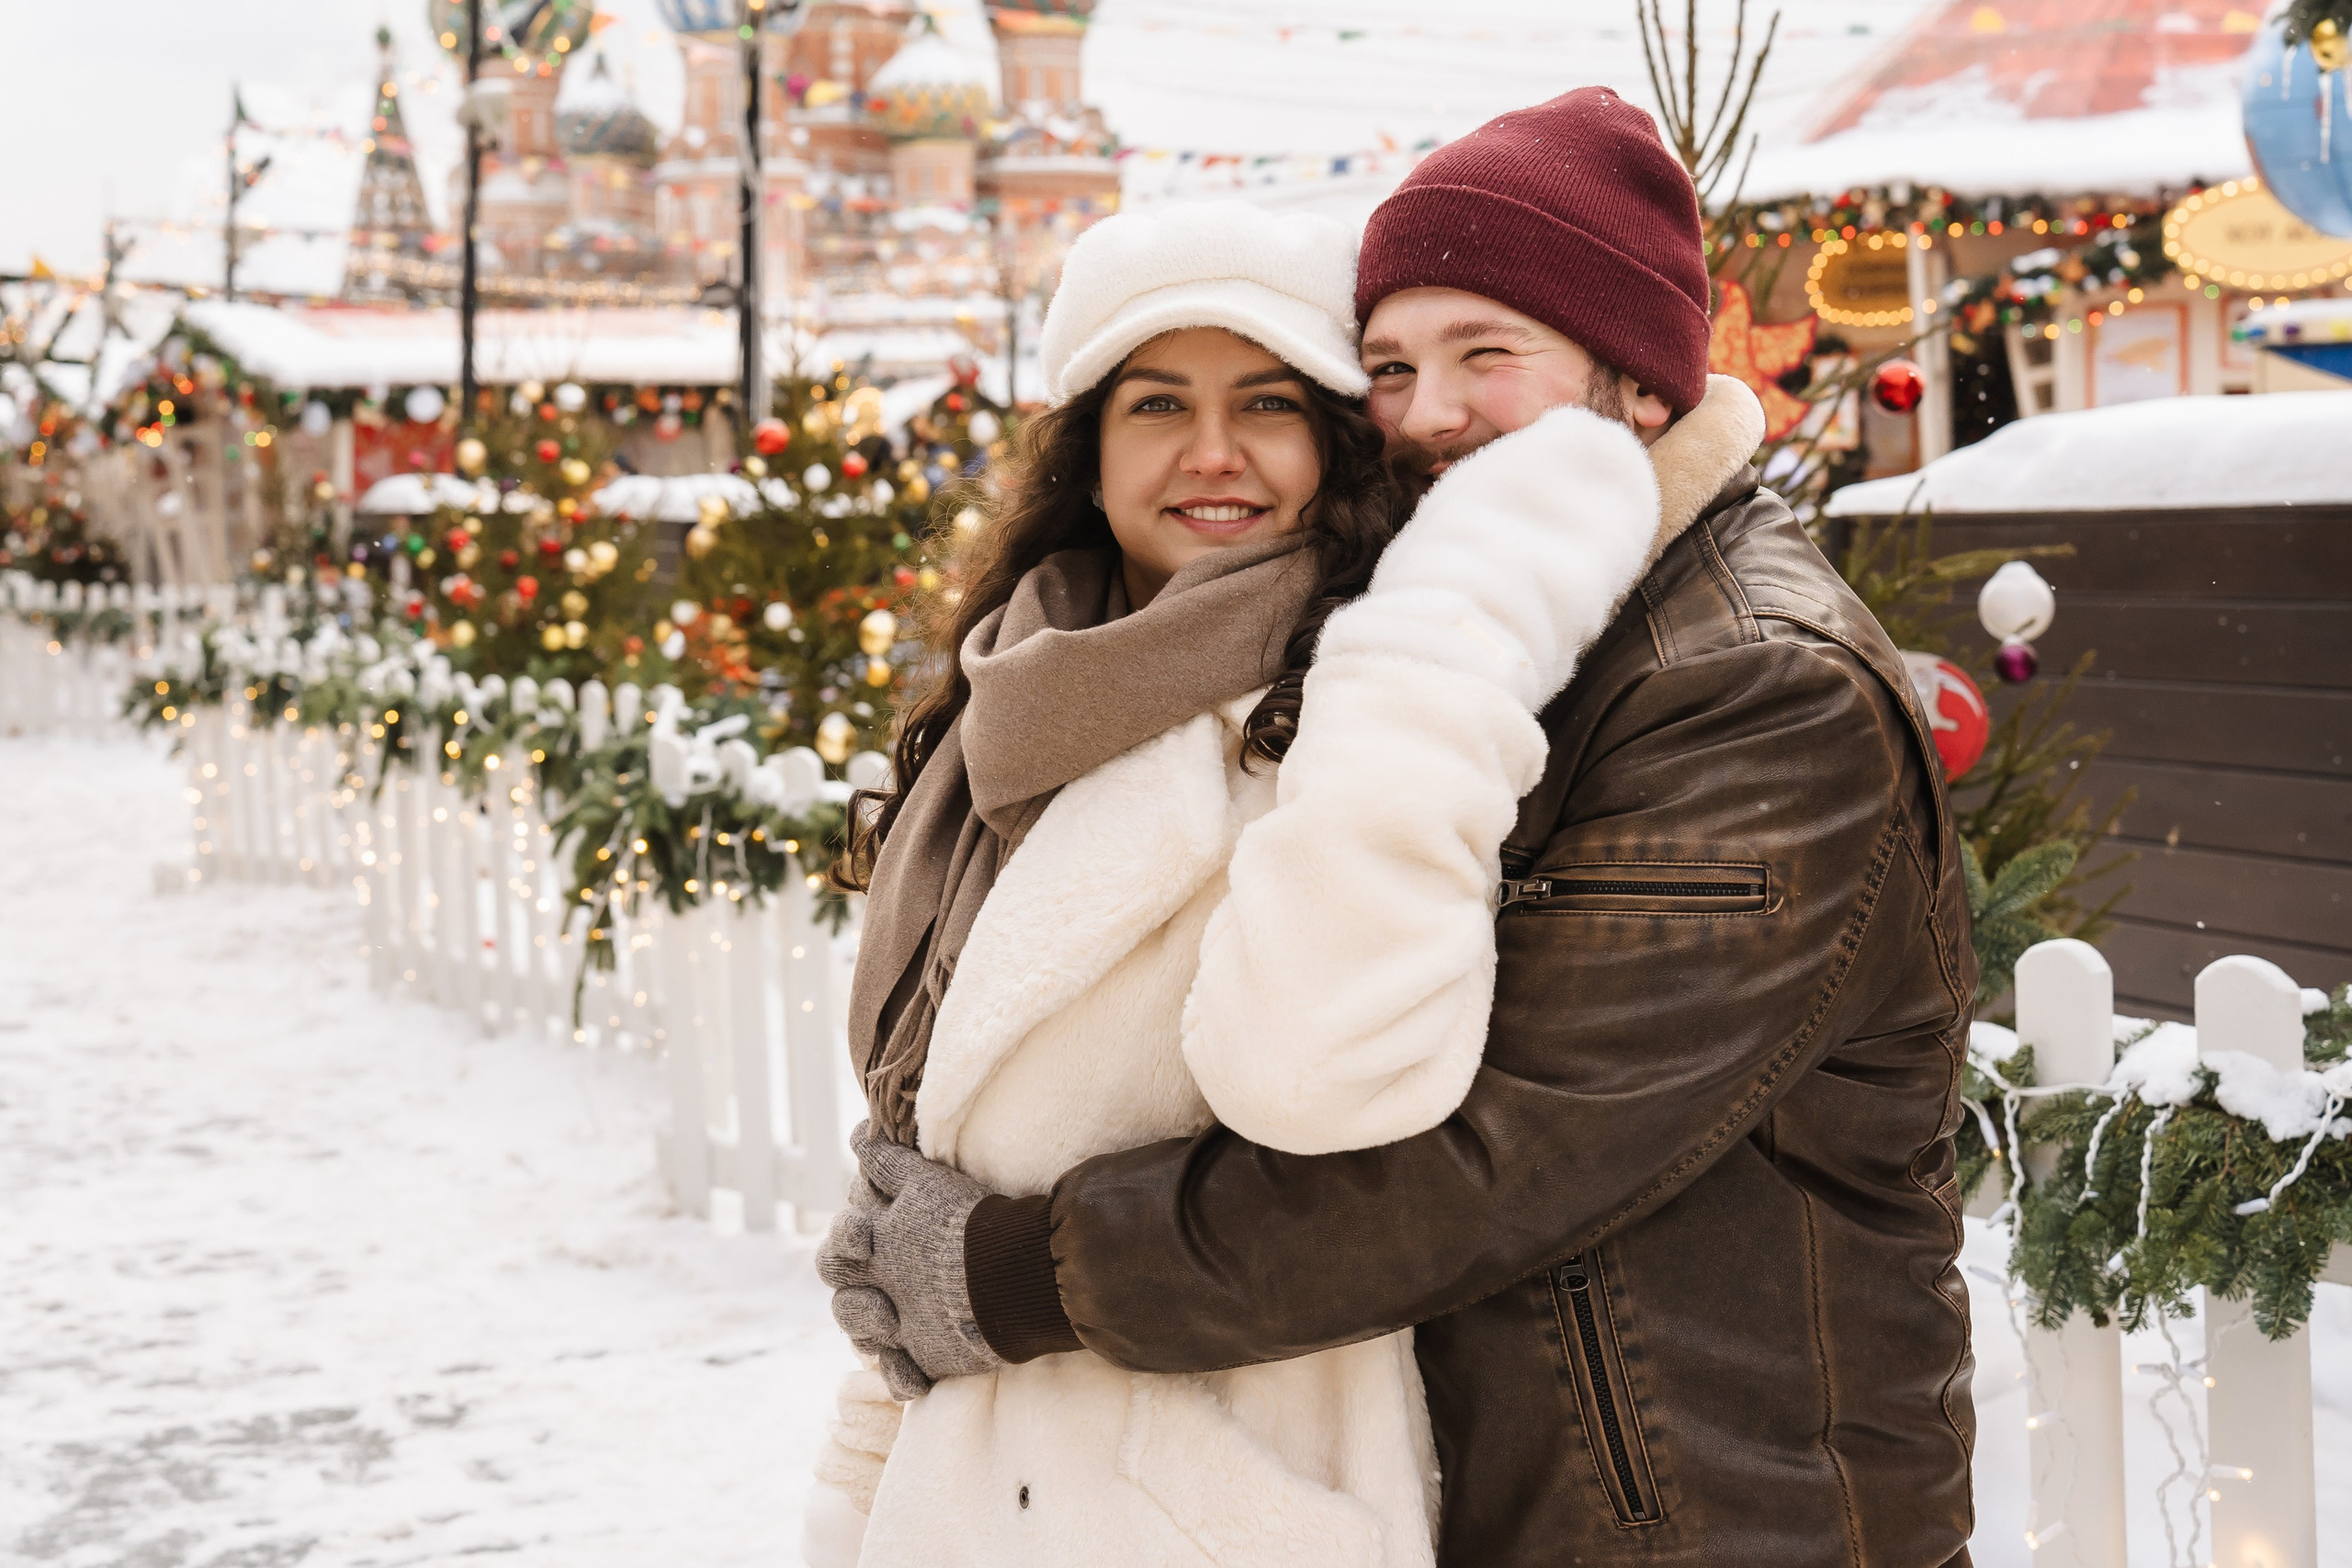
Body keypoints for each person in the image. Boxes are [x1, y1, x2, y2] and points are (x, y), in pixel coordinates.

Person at [820, 87, 1980, 1568]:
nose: (1429, 411)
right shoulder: (1517, 636)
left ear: (1635, 378)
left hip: (1697, 1516)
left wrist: (1021, 1273)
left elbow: (1493, 1164)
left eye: (1486, 357)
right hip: (1505, 1492)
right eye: (1389, 366)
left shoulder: (1748, 686)